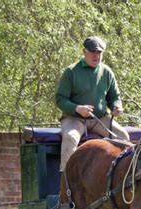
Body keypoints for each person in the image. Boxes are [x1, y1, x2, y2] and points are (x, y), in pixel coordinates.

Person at [55, 36, 130, 172]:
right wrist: (77, 108)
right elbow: (60, 100)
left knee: (123, 136)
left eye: (99, 53)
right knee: (70, 137)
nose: (96, 56)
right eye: (93, 52)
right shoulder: (71, 72)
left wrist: (116, 107)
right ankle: (66, 177)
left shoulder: (107, 72)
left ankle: (119, 174)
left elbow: (114, 97)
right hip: (74, 118)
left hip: (100, 119)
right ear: (84, 51)